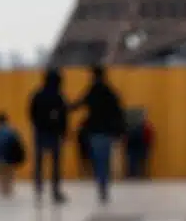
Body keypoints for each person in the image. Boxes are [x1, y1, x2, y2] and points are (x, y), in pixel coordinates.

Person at [72, 65, 125, 202]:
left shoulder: (92, 90)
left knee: (97, 160)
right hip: (107, 131)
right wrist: (120, 131)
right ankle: (104, 186)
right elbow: (118, 111)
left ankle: (101, 185)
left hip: (94, 131)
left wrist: (63, 107)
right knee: (105, 159)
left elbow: (78, 104)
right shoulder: (110, 91)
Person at [28, 68, 69, 204]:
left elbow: (31, 114)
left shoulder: (37, 95)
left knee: (39, 162)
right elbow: (64, 116)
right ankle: (55, 191)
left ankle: (39, 190)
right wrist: (64, 132)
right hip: (54, 133)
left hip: (40, 132)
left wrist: (39, 124)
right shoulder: (59, 96)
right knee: (55, 164)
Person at [0, 112, 25, 198]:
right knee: (9, 175)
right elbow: (18, 145)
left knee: (1, 175)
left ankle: (2, 191)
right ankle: (8, 190)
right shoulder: (12, 132)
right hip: (10, 158)